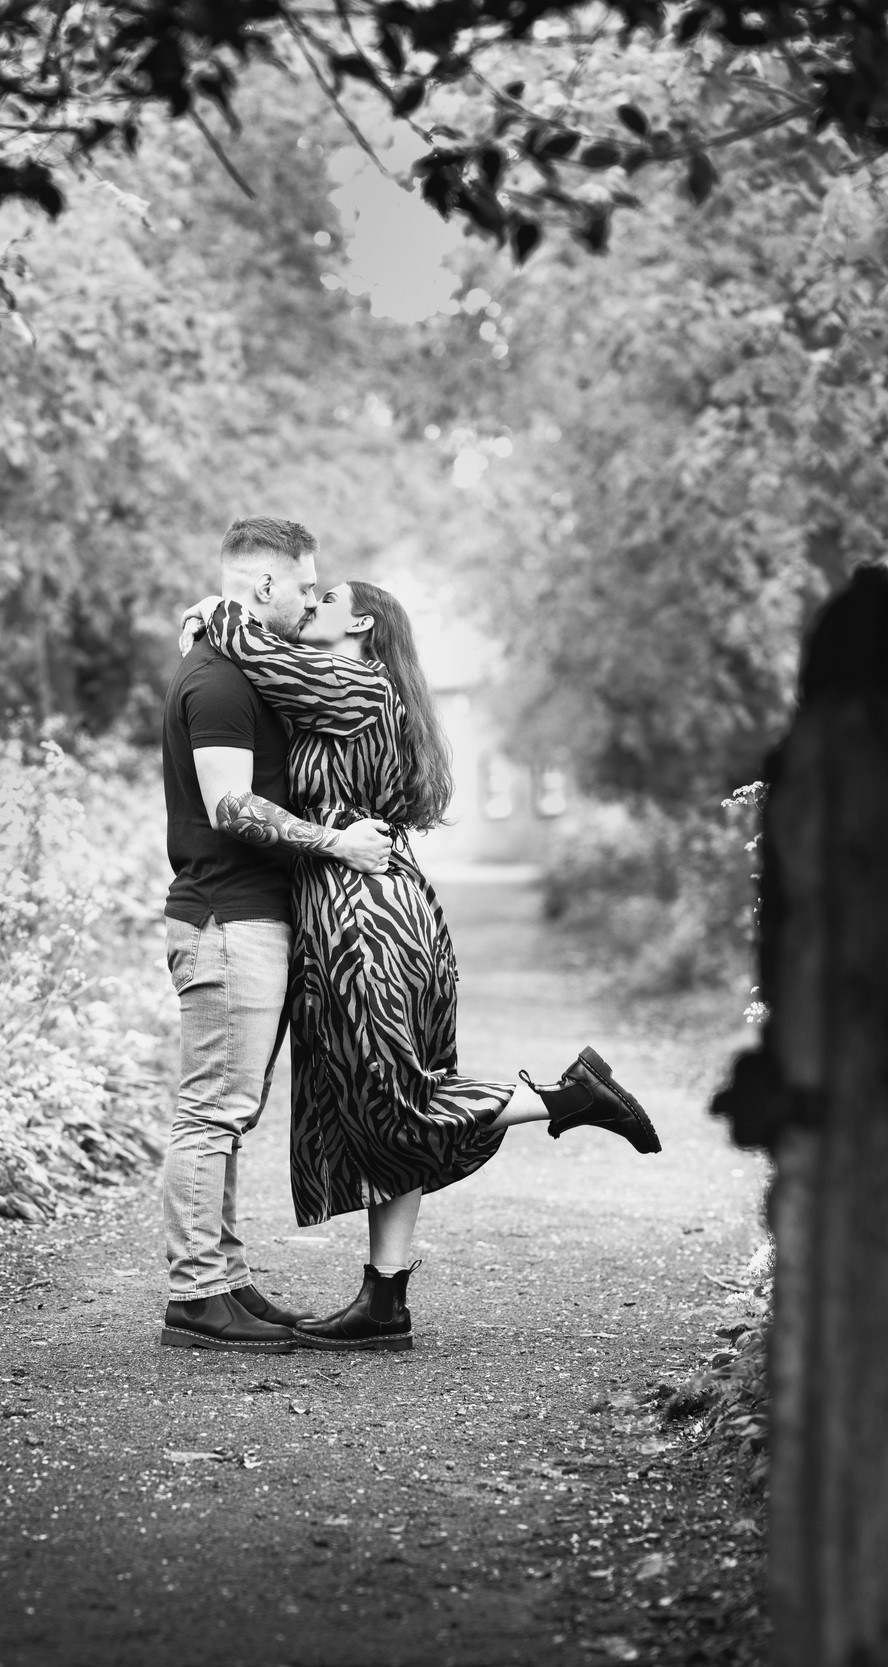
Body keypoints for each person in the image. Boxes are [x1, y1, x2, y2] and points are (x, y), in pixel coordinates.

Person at [177, 579, 662, 1352]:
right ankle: (383, 1301)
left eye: (323, 598)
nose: (306, 607)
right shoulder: (372, 692)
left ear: (360, 624)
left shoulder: (352, 684)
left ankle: (564, 1098)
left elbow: (249, 644)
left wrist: (215, 612)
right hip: (389, 910)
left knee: (391, 1100)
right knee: (393, 1097)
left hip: (359, 920)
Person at [159, 518, 393, 1351]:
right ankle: (194, 1297)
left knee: (229, 1110)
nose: (308, 600)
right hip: (225, 917)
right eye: (303, 587)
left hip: (247, 916)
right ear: (262, 586)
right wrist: (336, 842)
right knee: (210, 1113)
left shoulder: (238, 661)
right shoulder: (217, 681)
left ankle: (222, 1280)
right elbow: (229, 805)